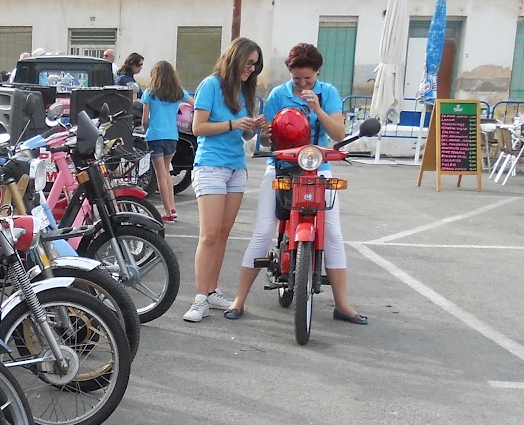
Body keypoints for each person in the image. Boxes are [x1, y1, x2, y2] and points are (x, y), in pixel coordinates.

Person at [222, 42, 367, 324]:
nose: (301, 83)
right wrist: (266, 132)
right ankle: (239, 299)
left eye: (307, 78)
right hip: (282, 169)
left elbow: (338, 133)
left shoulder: (328, 93)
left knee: (333, 235)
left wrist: (317, 109)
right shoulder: (279, 94)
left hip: (318, 170)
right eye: (296, 78)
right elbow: (268, 141)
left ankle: (342, 305)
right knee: (263, 230)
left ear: (317, 73)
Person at [182, 36, 264, 323]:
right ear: (235, 58)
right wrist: (233, 123)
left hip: (236, 168)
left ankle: (212, 291)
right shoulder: (211, 85)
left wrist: (253, 128)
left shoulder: (245, 91)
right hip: (211, 166)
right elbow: (198, 127)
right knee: (209, 235)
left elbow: (244, 135)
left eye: (255, 65)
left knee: (223, 235)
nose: (252, 69)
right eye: (249, 63)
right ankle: (200, 298)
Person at [140, 59, 189, 223]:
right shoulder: (178, 92)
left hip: (155, 136)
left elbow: (144, 120)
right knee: (166, 171)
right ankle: (172, 208)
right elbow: (195, 104)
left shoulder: (150, 93)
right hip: (172, 136)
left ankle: (168, 211)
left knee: (160, 174)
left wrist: (145, 130)